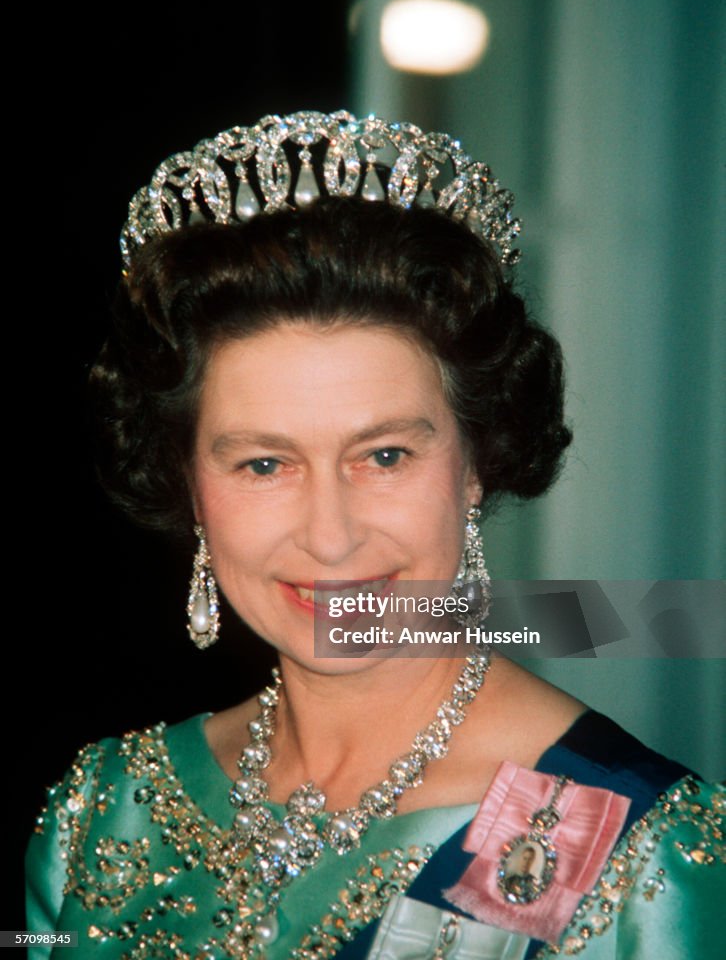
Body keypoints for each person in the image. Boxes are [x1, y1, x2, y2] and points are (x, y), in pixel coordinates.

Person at [26, 111, 722, 959]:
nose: (330, 537)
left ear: (475, 462)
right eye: (263, 465)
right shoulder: (100, 809)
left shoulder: (629, 840)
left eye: (384, 454)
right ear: (189, 488)